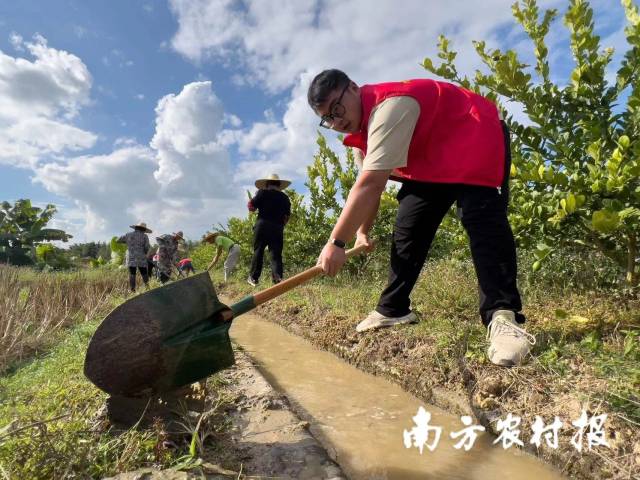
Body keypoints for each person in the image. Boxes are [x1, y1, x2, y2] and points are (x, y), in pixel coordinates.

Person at [307, 69, 535, 367]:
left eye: (337, 109)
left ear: (352, 87)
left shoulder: (389, 107)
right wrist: (362, 233)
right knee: (409, 225)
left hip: (475, 133)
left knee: (482, 222)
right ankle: (393, 309)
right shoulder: (361, 137)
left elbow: (370, 184)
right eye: (328, 118)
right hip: (430, 158)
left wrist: (336, 242)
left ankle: (504, 316)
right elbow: (370, 190)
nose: (337, 122)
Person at [247, 174, 291, 286]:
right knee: (276, 254)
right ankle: (278, 279)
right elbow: (286, 217)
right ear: (279, 185)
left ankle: (253, 278)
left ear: (267, 184)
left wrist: (253, 202)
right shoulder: (285, 198)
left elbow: (251, 207)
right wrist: (279, 225)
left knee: (259, 250)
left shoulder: (262, 192)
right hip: (277, 227)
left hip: (262, 225)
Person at [117, 222, 151, 293]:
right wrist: (144, 252)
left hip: (131, 258)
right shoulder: (145, 236)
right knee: (144, 272)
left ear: (136, 227)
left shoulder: (128, 234)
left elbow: (118, 240)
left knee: (132, 273)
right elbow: (147, 247)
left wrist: (127, 242)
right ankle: (147, 288)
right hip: (141, 257)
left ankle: (133, 290)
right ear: (143, 229)